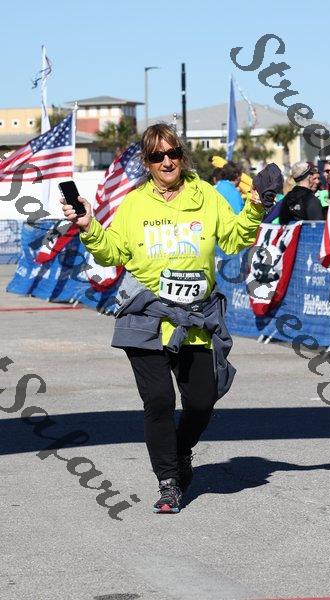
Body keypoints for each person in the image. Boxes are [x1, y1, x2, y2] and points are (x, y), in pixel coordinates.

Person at [60, 123, 264, 514]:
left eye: (173, 153)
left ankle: (180, 450)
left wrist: (254, 208)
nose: (166, 161)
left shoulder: (206, 196)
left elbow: (234, 239)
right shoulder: (135, 203)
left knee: (202, 401)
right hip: (145, 316)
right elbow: (113, 252)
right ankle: (169, 482)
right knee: (158, 400)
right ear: (147, 162)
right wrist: (89, 227)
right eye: (157, 156)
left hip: (194, 319)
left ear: (182, 156)